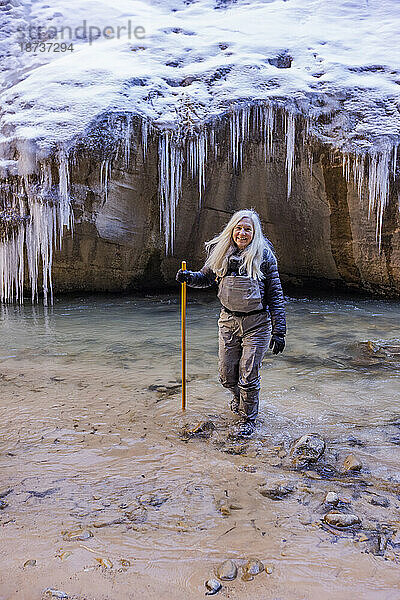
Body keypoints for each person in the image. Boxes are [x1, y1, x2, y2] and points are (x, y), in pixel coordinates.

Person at [176, 209, 286, 436]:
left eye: (248, 229)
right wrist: (188, 278)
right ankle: (240, 398)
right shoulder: (222, 253)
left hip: (257, 323)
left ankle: (248, 420)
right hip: (228, 321)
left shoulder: (264, 257)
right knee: (227, 376)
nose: (242, 233)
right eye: (238, 228)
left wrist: (279, 331)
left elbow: (275, 294)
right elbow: (205, 278)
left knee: (248, 374)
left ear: (255, 232)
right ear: (232, 230)